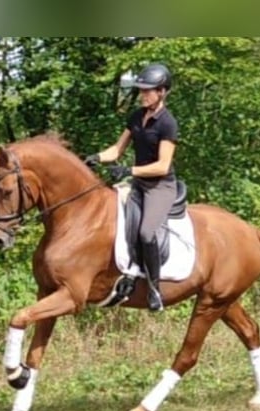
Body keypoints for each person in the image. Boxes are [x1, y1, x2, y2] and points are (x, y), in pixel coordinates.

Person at [84, 63, 178, 312]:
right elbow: (117, 150)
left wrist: (129, 170)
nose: (143, 94)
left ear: (163, 91)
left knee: (147, 233)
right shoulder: (137, 116)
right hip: (137, 185)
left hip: (160, 187)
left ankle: (155, 290)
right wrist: (94, 158)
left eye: (148, 91)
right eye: (141, 90)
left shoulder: (168, 123)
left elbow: (162, 165)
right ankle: (126, 274)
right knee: (114, 223)